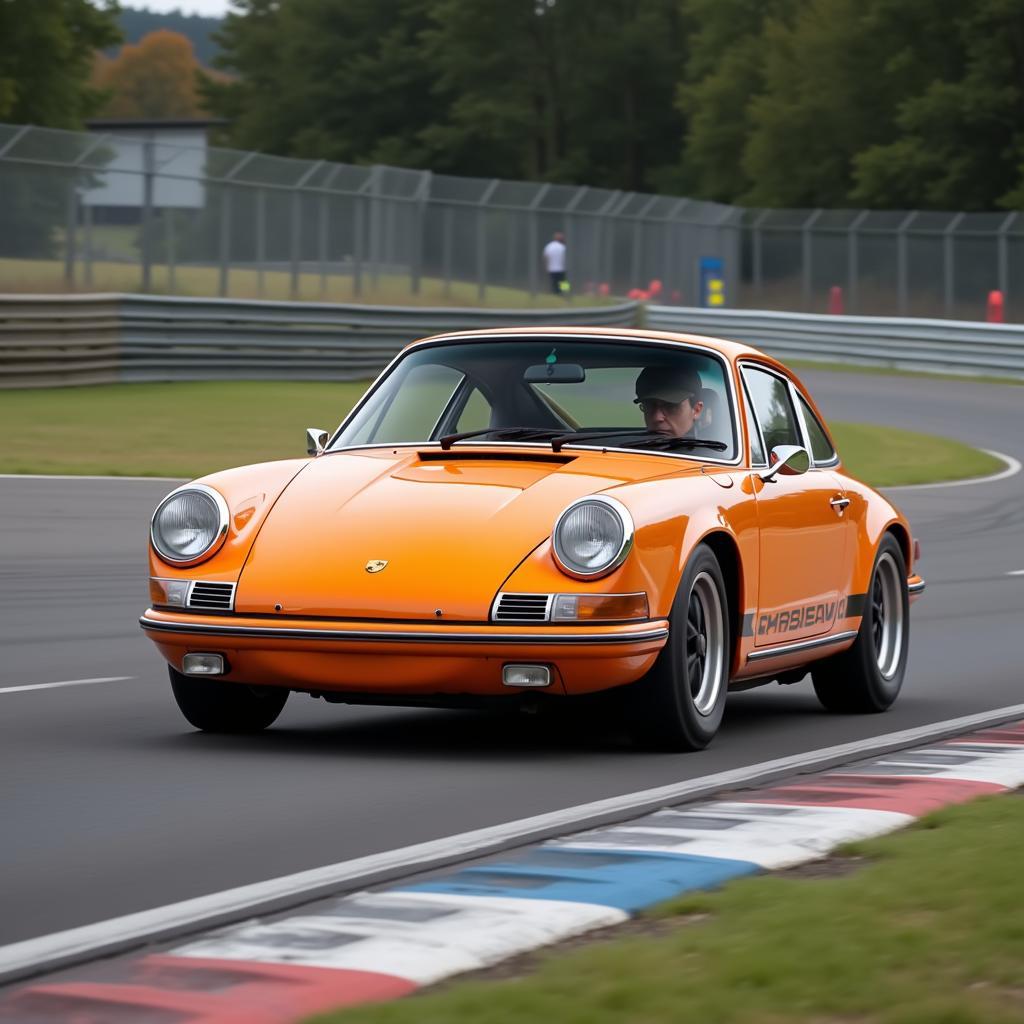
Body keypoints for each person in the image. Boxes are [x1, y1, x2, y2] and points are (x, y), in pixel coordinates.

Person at [633, 365, 704, 438]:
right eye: (649, 405)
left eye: (671, 406)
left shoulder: (707, 448)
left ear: (696, 410)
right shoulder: (630, 446)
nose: (656, 417)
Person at [543, 231, 568, 296]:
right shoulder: (562, 247)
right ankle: (565, 293)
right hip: (561, 268)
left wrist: (546, 266)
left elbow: (546, 257)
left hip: (551, 268)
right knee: (564, 281)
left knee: (554, 283)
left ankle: (555, 294)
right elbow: (565, 258)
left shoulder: (549, 246)